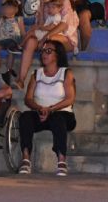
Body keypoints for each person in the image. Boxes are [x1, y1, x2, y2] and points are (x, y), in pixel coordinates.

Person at [18, 39, 76, 176]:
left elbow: (70, 98)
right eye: (43, 51)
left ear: (57, 54)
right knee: (25, 117)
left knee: (57, 118)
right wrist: (40, 108)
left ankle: (61, 161)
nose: (44, 54)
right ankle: (26, 159)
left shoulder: (66, 73)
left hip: (62, 113)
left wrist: (51, 109)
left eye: (48, 51)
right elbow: (28, 99)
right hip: (41, 112)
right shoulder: (36, 74)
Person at [15, 0, 79, 89]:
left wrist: (46, 37)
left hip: (65, 38)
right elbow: (40, 25)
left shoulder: (64, 1)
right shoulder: (42, 2)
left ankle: (53, 80)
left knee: (50, 41)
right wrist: (42, 6)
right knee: (31, 42)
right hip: (45, 36)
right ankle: (21, 79)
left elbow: (63, 25)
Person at [0, 0, 25, 78]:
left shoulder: (18, 19)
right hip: (2, 40)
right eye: (5, 8)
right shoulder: (0, 20)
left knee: (11, 50)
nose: (6, 10)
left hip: (13, 40)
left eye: (9, 8)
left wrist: (23, 42)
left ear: (16, 10)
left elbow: (23, 32)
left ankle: (9, 70)